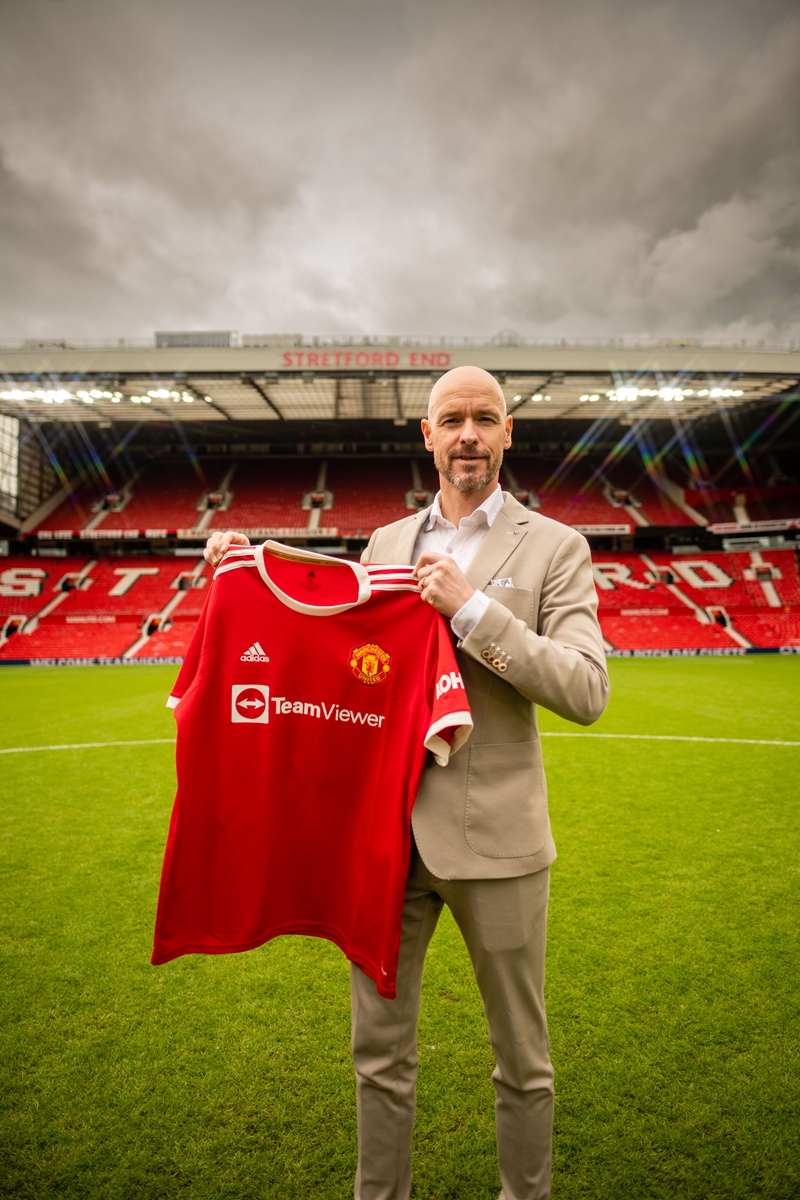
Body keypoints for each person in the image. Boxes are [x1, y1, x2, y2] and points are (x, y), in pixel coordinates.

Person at [204, 365, 609, 1200]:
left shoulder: (557, 548)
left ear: (508, 435)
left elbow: (585, 689)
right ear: (426, 435)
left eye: (485, 419)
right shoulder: (386, 544)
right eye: (452, 419)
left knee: (522, 1061)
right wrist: (248, 567)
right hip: (384, 843)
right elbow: (341, 649)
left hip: (498, 844)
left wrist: (474, 611)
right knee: (378, 1054)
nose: (469, 434)